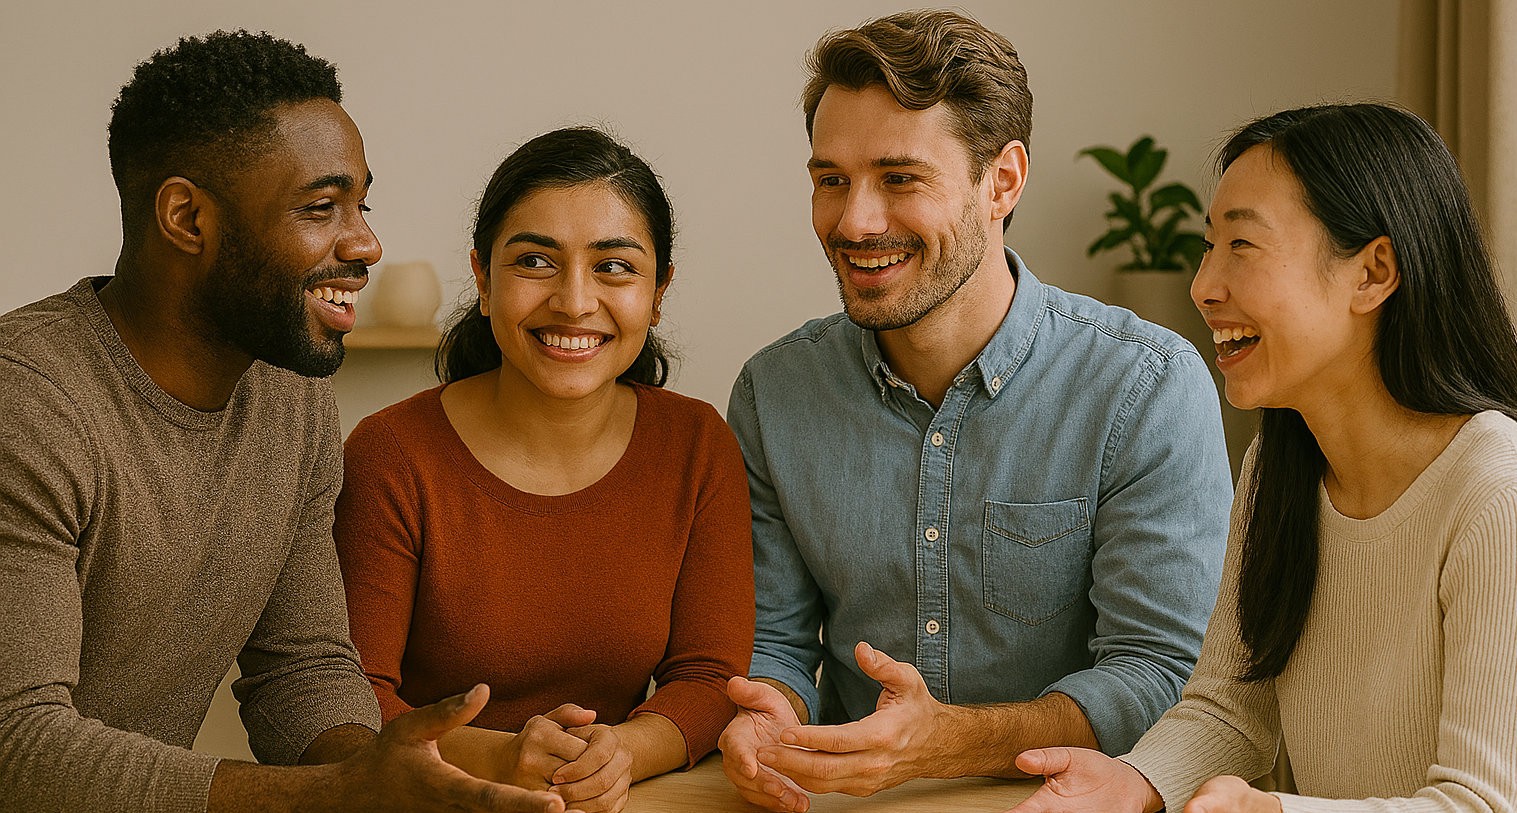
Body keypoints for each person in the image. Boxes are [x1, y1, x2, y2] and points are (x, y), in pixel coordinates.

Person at [0, 30, 578, 813]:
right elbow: (19, 747)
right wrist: (340, 791)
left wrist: (386, 774)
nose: (365, 242)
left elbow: (300, 666)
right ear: (186, 217)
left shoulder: (290, 392)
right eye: (319, 208)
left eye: (361, 204)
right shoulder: (27, 405)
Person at [718, 9, 1233, 812]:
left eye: (899, 177)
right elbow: (777, 645)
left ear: (1002, 181)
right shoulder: (773, 393)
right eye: (830, 180)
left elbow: (1162, 673)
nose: (853, 221)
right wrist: (767, 717)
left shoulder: (1146, 386)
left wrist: (948, 739)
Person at [1008, 103, 1517, 812]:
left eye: (1240, 245)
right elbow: (1229, 712)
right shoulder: (1278, 469)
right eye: (1207, 245)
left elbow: (1483, 803)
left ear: (1371, 273)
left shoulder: (1495, 488)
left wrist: (1274, 810)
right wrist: (1131, 780)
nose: (1202, 286)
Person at [334, 126, 755, 813]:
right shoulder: (391, 453)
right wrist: (498, 753)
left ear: (658, 290)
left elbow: (709, 676)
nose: (574, 300)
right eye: (535, 261)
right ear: (482, 277)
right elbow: (348, 699)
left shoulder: (695, 442)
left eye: (614, 266)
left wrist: (621, 751)